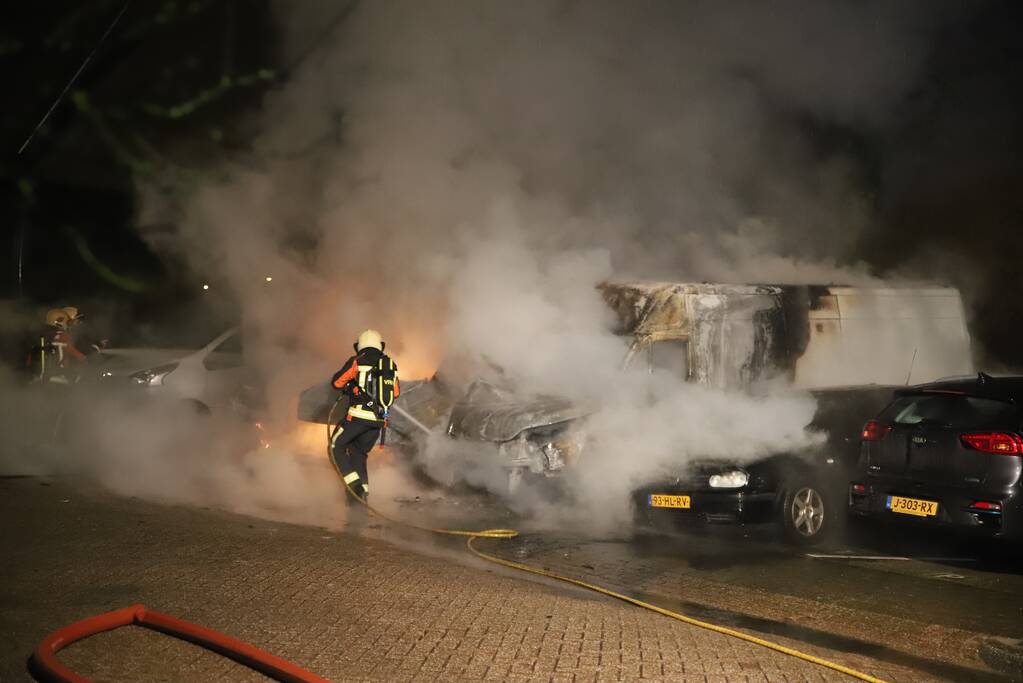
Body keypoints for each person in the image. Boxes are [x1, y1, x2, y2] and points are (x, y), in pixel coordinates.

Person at [329, 329, 399, 503]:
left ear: (360, 346)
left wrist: (351, 386)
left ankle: (354, 488)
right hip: (378, 422)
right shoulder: (389, 364)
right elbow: (395, 392)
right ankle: (361, 499)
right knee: (358, 454)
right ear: (379, 345)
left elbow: (336, 383)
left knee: (335, 446)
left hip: (357, 417)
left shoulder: (357, 361)